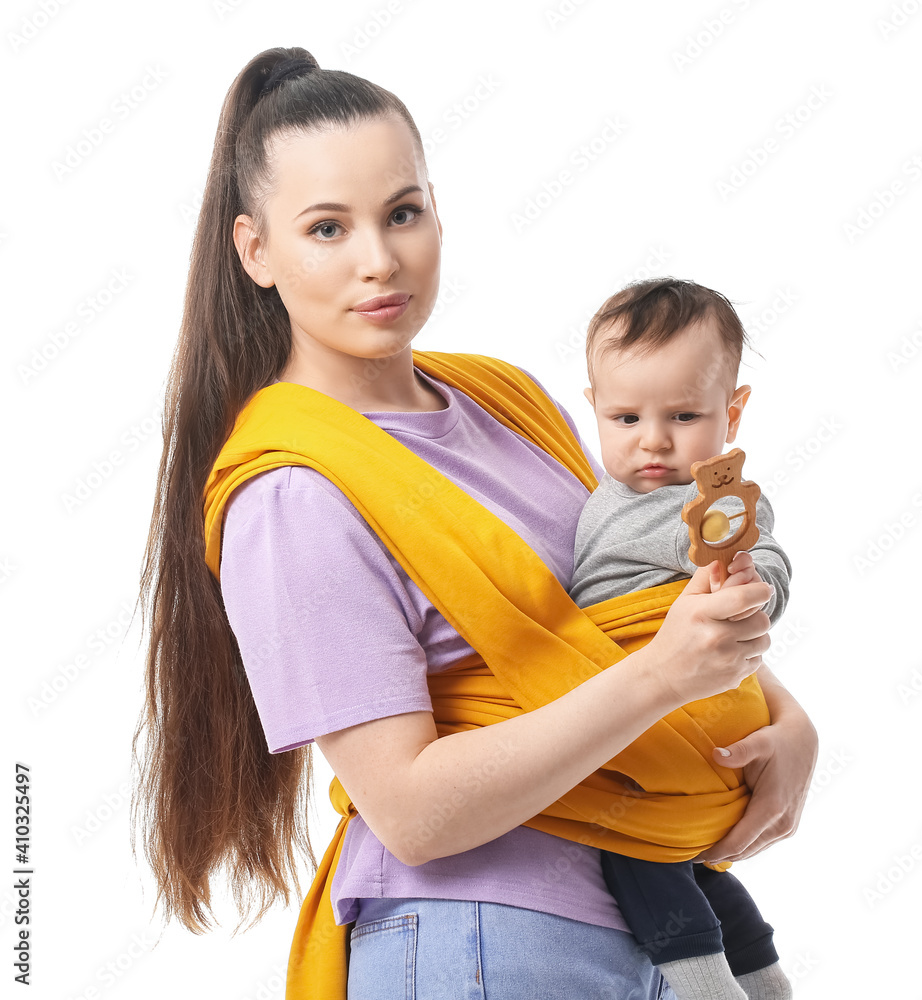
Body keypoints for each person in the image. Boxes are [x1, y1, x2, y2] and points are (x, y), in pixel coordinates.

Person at [132, 45, 818, 1000]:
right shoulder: (294, 491)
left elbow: (627, 597)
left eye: (401, 213)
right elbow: (410, 809)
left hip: (656, 919)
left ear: (436, 216)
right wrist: (666, 676)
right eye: (326, 228)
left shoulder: (507, 403)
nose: (379, 261)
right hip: (485, 940)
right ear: (256, 251)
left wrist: (788, 724)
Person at [569, 278, 794, 999]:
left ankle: (707, 983)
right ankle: (758, 975)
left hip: (673, 719)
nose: (653, 440)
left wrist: (749, 583)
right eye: (625, 416)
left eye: (684, 414)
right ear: (593, 408)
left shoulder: (705, 505)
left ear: (732, 412)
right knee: (690, 860)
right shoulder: (605, 501)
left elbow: (759, 556)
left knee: (636, 849)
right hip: (653, 716)